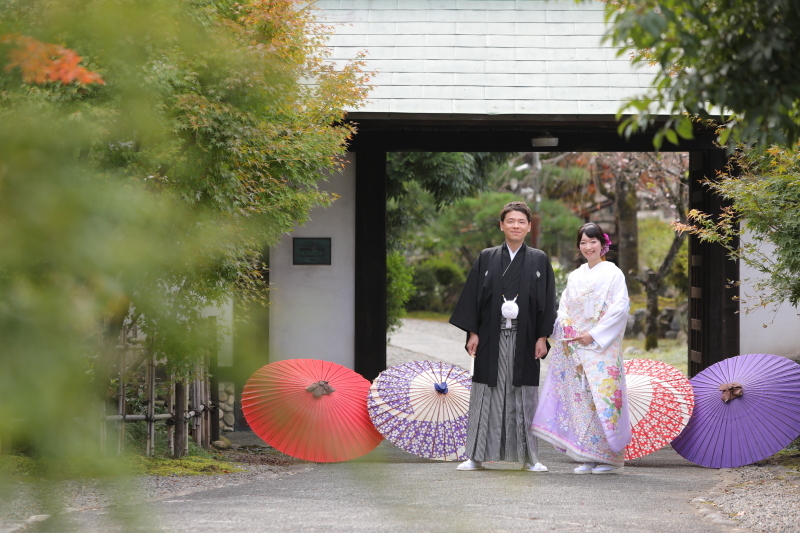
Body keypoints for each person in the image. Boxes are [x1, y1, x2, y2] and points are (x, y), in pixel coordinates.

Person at [449, 201, 557, 472]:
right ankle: (476, 455)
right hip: (490, 334)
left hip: (526, 336)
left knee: (524, 394)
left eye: (521, 222)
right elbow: (473, 297)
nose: (516, 226)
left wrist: (542, 336)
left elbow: (548, 300)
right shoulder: (487, 257)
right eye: (510, 221)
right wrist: (473, 332)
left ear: (529, 227)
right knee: (486, 392)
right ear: (501, 225)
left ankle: (529, 457)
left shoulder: (539, 259)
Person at [531, 222, 631, 474]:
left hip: (601, 348)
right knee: (582, 401)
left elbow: (619, 308)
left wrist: (594, 334)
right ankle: (587, 454)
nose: (588, 247)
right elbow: (563, 308)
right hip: (577, 345)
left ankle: (610, 459)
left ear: (603, 244)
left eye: (593, 241)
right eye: (583, 242)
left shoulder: (614, 273)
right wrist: (570, 331)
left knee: (603, 399)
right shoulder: (575, 276)